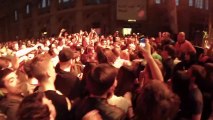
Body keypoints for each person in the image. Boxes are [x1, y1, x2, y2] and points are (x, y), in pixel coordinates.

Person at [24, 54, 71, 120]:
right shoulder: (60, 100)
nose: (54, 70)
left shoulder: (35, 94)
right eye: (52, 67)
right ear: (48, 73)